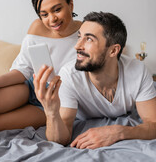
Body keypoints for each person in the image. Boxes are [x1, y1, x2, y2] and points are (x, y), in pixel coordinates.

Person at [34, 11, 156, 149]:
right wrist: (51, 112)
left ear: (113, 51)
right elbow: (60, 139)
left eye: (89, 39)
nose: (77, 46)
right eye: (79, 37)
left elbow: (153, 125)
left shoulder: (138, 71)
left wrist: (119, 132)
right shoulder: (69, 75)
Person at [0, 0, 81, 132]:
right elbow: (22, 69)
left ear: (71, 5)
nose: (52, 19)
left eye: (57, 10)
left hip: (55, 103)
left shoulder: (87, 32)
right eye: (44, 14)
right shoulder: (38, 27)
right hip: (30, 87)